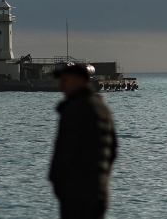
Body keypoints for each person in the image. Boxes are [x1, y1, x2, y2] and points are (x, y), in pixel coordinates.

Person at [49, 62, 118, 219]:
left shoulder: (76, 109)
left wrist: (59, 181)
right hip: (97, 191)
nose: (61, 86)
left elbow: (66, 151)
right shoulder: (101, 107)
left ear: (79, 80)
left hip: (78, 195)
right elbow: (112, 150)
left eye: (65, 80)